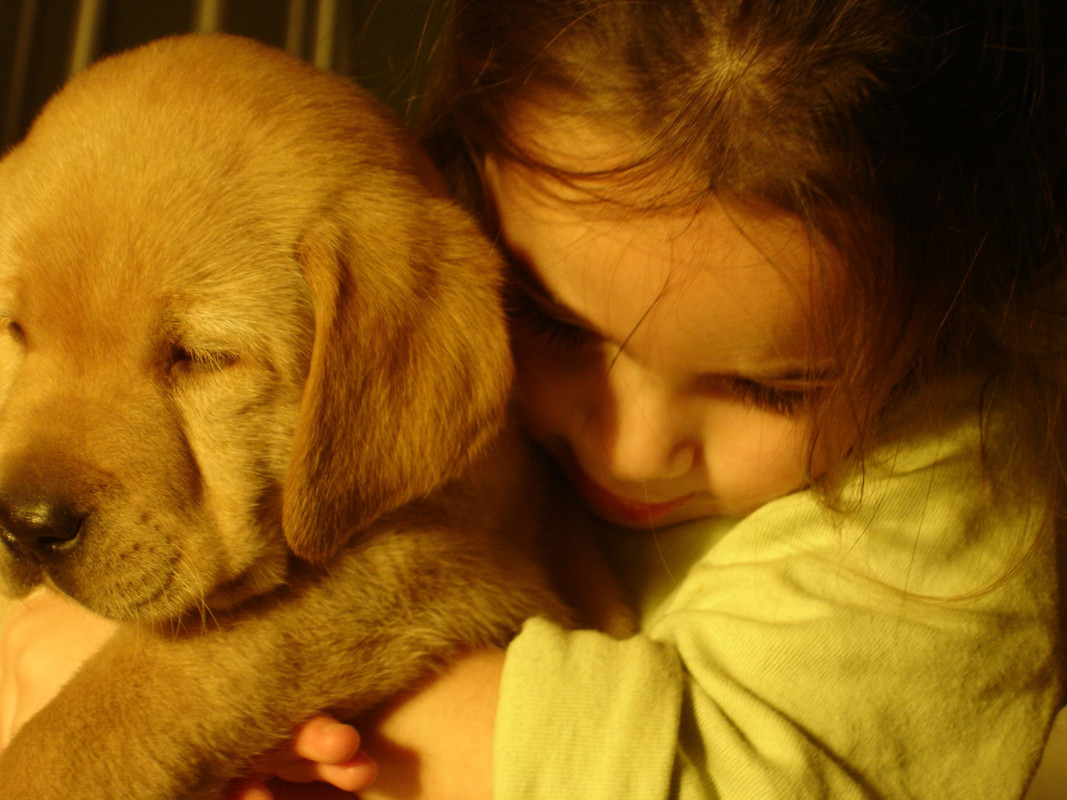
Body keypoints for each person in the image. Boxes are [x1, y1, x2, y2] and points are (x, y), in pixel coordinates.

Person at [2, 0, 1065, 797]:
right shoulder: (450, 277)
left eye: (767, 384)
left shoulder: (957, 505)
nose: (629, 444)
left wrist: (137, 702)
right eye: (550, 321)